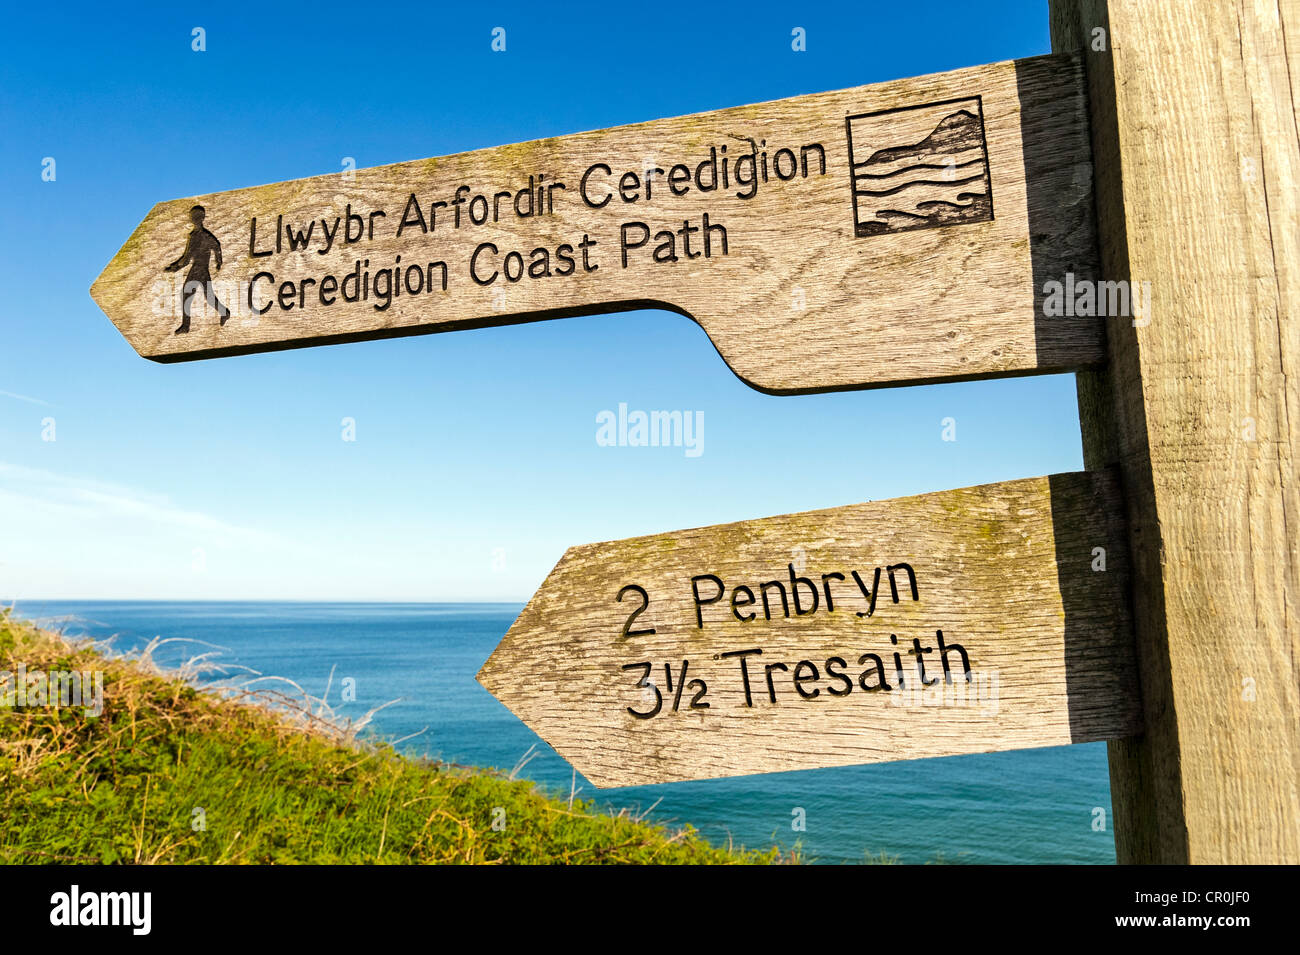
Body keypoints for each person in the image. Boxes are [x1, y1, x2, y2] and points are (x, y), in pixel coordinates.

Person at [164, 205, 230, 333]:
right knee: (206, 297)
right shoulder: (201, 235)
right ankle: (224, 312)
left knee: (188, 295)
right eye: (193, 217)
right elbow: (216, 246)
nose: (194, 219)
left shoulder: (198, 236)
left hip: (198, 270)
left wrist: (174, 268)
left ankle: (186, 325)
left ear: (200, 218)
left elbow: (187, 259)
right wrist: (218, 261)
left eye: (195, 217)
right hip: (200, 270)